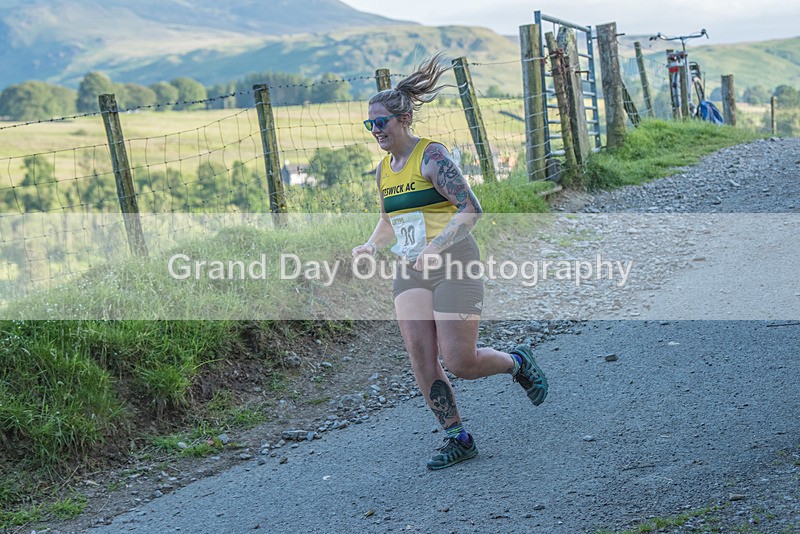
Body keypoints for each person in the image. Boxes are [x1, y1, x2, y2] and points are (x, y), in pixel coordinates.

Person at [351, 53, 548, 470]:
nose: (375, 131)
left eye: (380, 122)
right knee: (420, 356)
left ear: (403, 120)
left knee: (461, 362)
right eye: (369, 124)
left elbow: (470, 208)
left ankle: (517, 362)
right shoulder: (383, 171)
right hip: (411, 271)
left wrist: (437, 244)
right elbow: (390, 221)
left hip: (454, 263)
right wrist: (371, 245)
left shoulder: (431, 156)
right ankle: (458, 436)